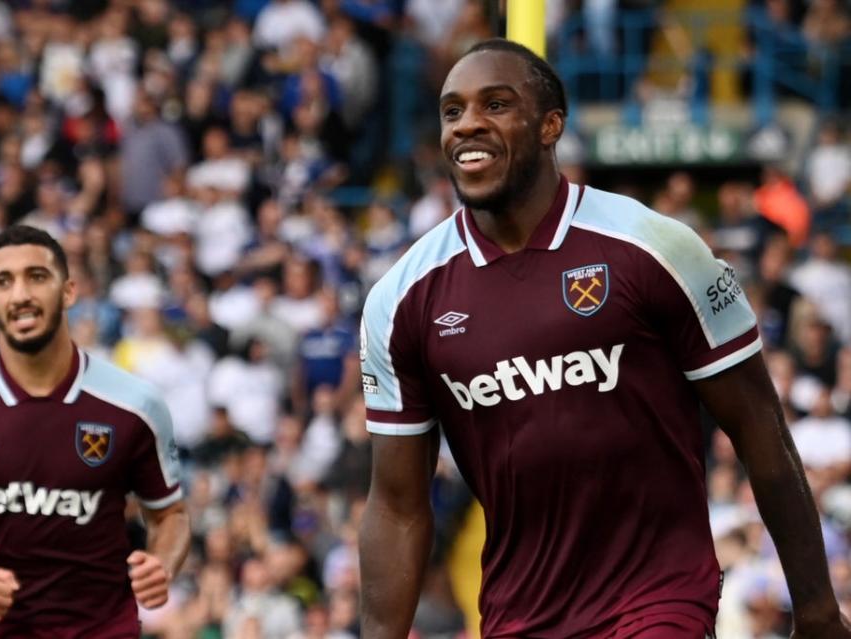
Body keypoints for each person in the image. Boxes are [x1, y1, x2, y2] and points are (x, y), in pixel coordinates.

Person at [357, 38, 851, 639]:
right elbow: (396, 504)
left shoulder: (656, 249)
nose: (468, 125)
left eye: (496, 104)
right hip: (521, 614)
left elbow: (758, 426)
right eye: (453, 110)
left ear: (550, 126)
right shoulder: (400, 298)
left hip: (659, 596)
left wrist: (818, 607)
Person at [0, 225, 190, 637]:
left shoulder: (135, 405)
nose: (20, 295)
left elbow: (170, 514)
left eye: (36, 276)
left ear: (68, 291)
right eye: (3, 282)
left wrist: (161, 564)